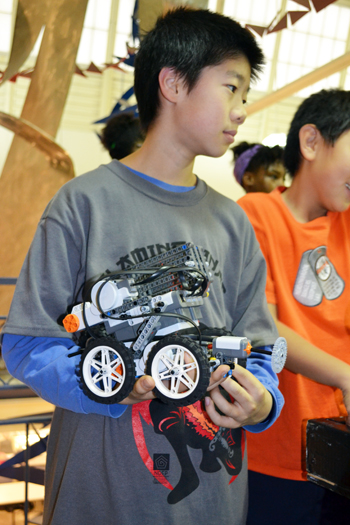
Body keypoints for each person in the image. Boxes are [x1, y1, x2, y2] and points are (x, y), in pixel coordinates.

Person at [1, 8, 284, 524]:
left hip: (213, 508)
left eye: (244, 94)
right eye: (231, 87)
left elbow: (259, 348)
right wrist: (101, 386)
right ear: (173, 84)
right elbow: (27, 343)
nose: (242, 110)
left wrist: (262, 404)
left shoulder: (233, 224)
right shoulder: (82, 204)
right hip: (100, 499)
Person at [238, 88, 350, 524]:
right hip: (276, 454)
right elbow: (261, 325)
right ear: (311, 142)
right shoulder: (255, 214)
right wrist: (343, 374)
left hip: (340, 455)